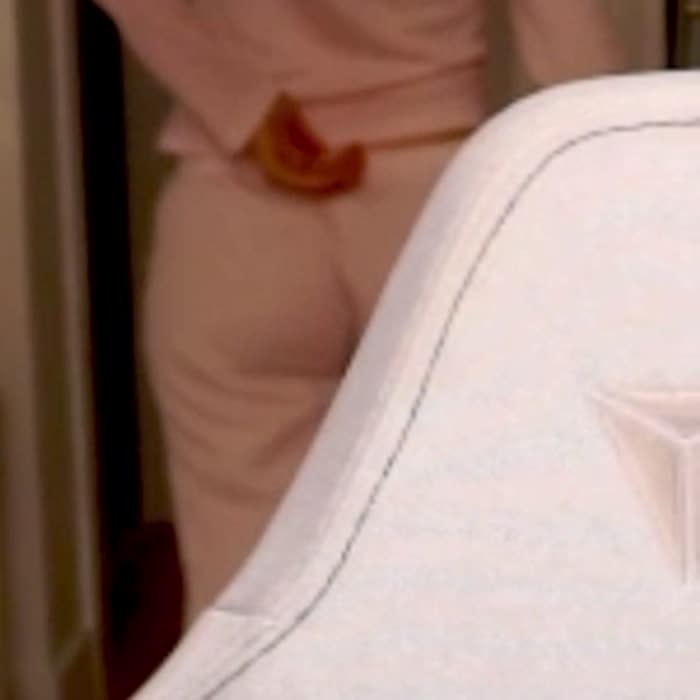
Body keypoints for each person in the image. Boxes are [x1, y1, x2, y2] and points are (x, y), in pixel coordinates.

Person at [93, 0, 627, 625]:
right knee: (468, 565)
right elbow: (574, 47)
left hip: (238, 210)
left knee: (239, 593)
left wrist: (239, 102)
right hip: (437, 202)